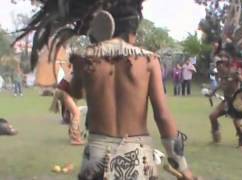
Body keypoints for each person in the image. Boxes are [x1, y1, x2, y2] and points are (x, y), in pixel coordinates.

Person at [16, 0, 195, 179]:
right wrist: (182, 166)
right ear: (132, 33)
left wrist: (78, 69)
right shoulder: (149, 61)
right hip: (137, 159)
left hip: (96, 158)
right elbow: (162, 116)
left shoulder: (87, 59)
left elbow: (77, 93)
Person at [209, 55, 242, 149]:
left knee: (236, 122)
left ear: (225, 66)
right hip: (227, 101)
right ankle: (216, 135)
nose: (219, 68)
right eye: (217, 66)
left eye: (220, 65)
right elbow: (221, 84)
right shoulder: (222, 75)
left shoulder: (234, 74)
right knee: (213, 116)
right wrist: (212, 92)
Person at [50, 63, 84, 145]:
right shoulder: (79, 75)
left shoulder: (78, 74)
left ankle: (74, 134)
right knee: (77, 113)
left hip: (63, 91)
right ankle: (75, 138)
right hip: (63, 92)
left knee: (73, 114)